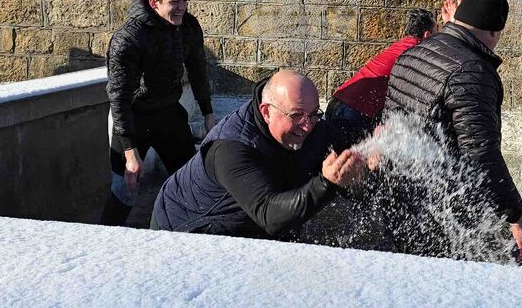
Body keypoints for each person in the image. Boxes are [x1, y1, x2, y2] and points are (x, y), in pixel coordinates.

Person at [383, 0, 522, 261]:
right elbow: (481, 154)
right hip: (441, 213)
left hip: (399, 200)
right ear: (494, 32)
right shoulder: (472, 71)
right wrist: (518, 219)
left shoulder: (413, 53)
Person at [152, 70, 367, 238]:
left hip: (248, 221)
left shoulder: (311, 125)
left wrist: (367, 157)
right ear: (266, 111)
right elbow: (269, 215)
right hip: (185, 228)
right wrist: (326, 184)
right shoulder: (232, 148)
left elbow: (345, 152)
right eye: (296, 115)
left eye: (312, 114)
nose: (307, 126)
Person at [99, 0, 215, 226]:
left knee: (192, 183)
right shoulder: (128, 38)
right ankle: (102, 243)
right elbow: (118, 97)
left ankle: (190, 237)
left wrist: (208, 115)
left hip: (168, 114)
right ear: (154, 3)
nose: (181, 9)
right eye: (175, 2)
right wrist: (130, 152)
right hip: (132, 118)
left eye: (185, 1)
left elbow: (198, 70)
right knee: (125, 190)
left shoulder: (189, 26)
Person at [327, 8, 440, 147]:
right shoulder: (416, 50)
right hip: (352, 113)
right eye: (437, 31)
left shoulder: (402, 45)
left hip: (339, 105)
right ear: (427, 35)